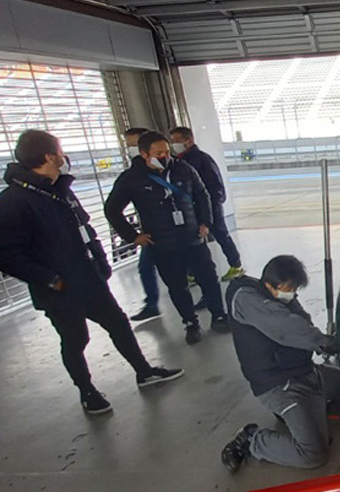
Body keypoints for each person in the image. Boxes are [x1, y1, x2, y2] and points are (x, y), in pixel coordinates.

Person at [0, 130, 183, 414]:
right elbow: (8, 255)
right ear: (49, 156)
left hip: (89, 278)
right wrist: (51, 280)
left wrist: (100, 261)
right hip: (59, 289)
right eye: (60, 150)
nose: (64, 156)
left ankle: (144, 371)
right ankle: (87, 391)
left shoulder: (58, 189)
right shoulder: (14, 201)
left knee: (119, 324)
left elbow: (83, 227)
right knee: (76, 340)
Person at [105, 131, 229, 345]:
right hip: (162, 244)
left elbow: (202, 195)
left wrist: (205, 222)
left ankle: (218, 315)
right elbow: (112, 209)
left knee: (208, 277)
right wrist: (133, 236)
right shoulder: (131, 179)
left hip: (193, 237)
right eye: (158, 153)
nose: (164, 156)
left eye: (166, 151)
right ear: (144, 154)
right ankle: (191, 323)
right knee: (177, 286)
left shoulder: (183, 169)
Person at [221, 255, 338, 472]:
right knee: (313, 454)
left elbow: (303, 322)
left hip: (305, 373)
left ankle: (301, 413)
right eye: (289, 289)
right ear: (270, 283)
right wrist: (325, 343)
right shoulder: (246, 299)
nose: (292, 294)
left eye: (295, 289)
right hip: (279, 385)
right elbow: (286, 327)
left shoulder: (282, 297)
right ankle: (252, 439)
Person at [169, 127, 244, 282]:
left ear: (189, 140)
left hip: (209, 205)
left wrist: (214, 203)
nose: (174, 144)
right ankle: (193, 272)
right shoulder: (178, 161)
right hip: (191, 207)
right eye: (172, 141)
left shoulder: (202, 159)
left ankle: (236, 265)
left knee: (220, 234)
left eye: (177, 140)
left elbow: (215, 183)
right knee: (193, 239)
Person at [123, 127, 161, 322]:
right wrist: (132, 236)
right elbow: (112, 209)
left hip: (179, 230)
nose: (131, 149)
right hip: (152, 232)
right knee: (145, 266)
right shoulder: (132, 175)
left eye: (133, 145)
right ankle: (152, 304)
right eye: (128, 145)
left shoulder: (173, 167)